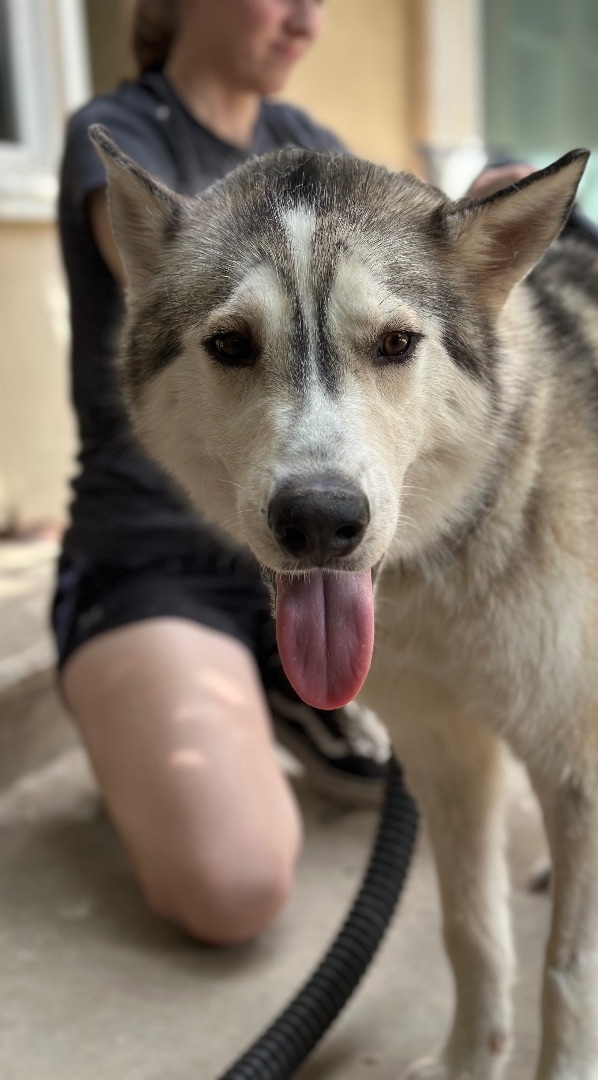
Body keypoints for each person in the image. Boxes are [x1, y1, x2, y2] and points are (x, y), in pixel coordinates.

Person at [53, 0, 531, 948]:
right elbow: (178, 284)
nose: (307, 14)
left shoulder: (303, 138)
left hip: (323, 551)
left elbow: (391, 280)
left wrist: (464, 245)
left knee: (495, 769)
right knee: (233, 888)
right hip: (159, 555)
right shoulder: (120, 138)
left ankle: (283, 681)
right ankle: (153, 705)